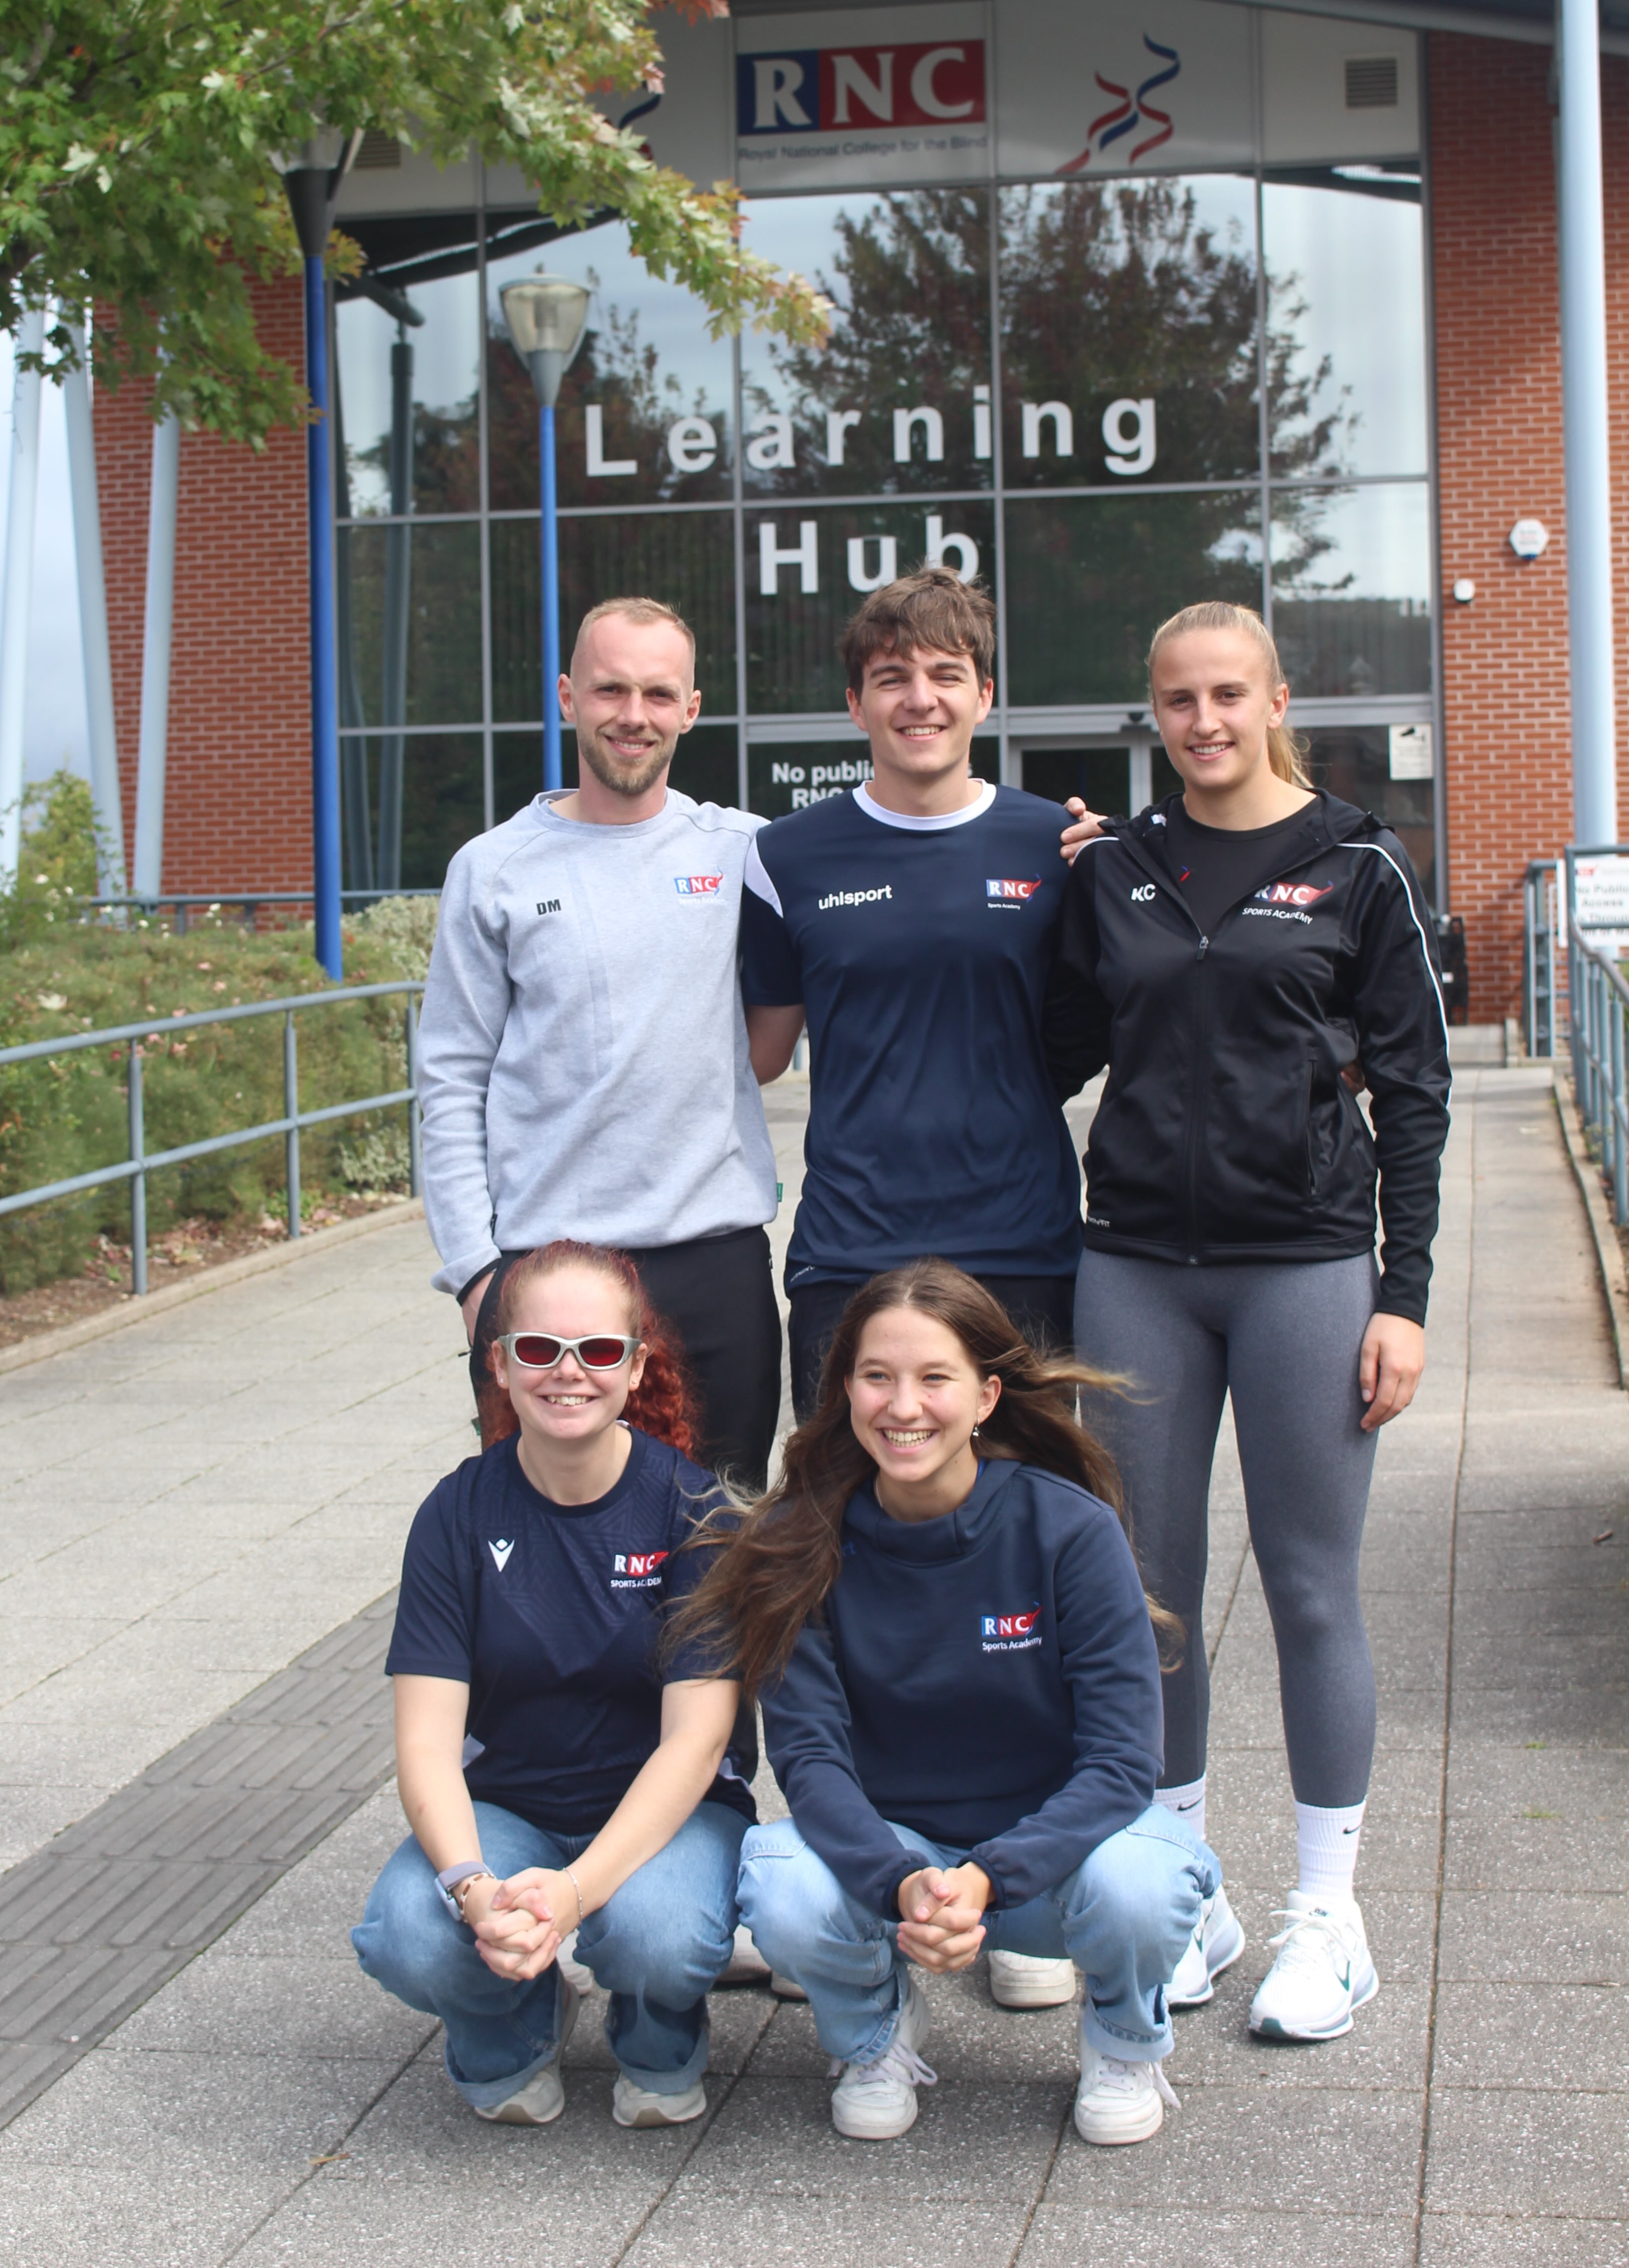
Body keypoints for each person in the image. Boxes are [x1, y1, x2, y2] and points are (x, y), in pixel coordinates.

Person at [1046, 599, 1450, 2043]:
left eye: (1228, 694)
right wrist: (1048, 885)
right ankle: (1185, 1888)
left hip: (1306, 1267)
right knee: (1145, 1591)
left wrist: (1401, 1300)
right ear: (1150, 714)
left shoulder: (1356, 867)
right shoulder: (1123, 870)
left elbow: (1415, 1093)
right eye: (1176, 700)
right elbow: (1050, 1050)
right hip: (1138, 1266)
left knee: (1310, 1586)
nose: (1203, 722)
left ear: (1277, 699)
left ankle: (1329, 1917)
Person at [738, 568, 1088, 2013]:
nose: (920, 698)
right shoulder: (792, 856)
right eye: (893, 676)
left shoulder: (1056, 847)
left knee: (1035, 1565)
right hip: (849, 1254)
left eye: (945, 673)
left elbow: (1093, 1031)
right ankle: (855, 1871)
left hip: (1019, 1248)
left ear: (982, 694)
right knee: (832, 1558)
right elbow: (754, 1054)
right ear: (857, 703)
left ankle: (1025, 1899)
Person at [674, 1261, 1216, 2148]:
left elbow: (1124, 1765)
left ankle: (1124, 2040)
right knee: (780, 1881)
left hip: (1055, 1858)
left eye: (935, 1379)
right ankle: (874, 2035)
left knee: (1146, 1883)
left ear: (987, 1396)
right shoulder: (802, 1543)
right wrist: (905, 1881)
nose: (904, 1406)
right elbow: (809, 1763)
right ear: (845, 1389)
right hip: (905, 1868)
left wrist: (989, 1877)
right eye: (877, 1377)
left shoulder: (1068, 1529)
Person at [352, 1239, 753, 2127]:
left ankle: (660, 2034)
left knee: (659, 1935)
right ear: (498, 1363)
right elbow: (424, 1743)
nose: (568, 1372)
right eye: (538, 1349)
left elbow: (698, 1740)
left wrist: (576, 1891)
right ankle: (512, 2028)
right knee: (410, 1937)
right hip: (514, 1806)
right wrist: (474, 1889)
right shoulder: (457, 1512)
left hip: (669, 1810)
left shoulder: (694, 1512)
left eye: (599, 1350)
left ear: (637, 1364)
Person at [417, 595, 783, 1491]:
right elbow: (449, 1080)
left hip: (715, 1268)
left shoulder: (747, 852)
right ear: (567, 696)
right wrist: (477, 1279)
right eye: (610, 689)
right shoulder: (493, 869)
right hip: (549, 1278)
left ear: (692, 710)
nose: (633, 715)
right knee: (552, 1559)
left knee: (725, 1551)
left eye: (659, 694)